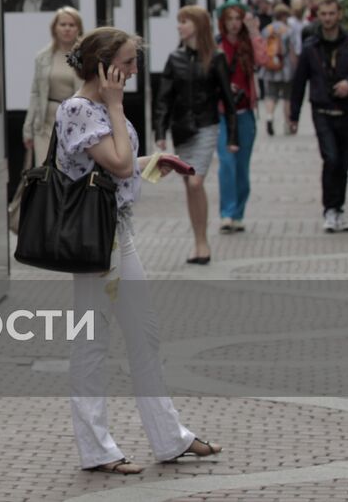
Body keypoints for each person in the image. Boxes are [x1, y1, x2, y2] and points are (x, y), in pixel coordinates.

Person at [58, 27, 222, 474]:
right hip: (96, 240)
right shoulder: (77, 109)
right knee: (92, 341)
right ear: (105, 65)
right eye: (128, 63)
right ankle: (98, 449)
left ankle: (169, 438)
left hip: (116, 233)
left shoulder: (97, 109)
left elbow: (124, 164)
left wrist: (153, 162)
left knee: (142, 334)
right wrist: (115, 107)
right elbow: (118, 163)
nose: (133, 71)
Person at [153, 6, 238, 264]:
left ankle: (203, 242)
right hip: (182, 129)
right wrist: (160, 131)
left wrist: (233, 137)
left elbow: (228, 100)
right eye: (179, 22)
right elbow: (164, 99)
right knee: (189, 186)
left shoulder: (217, 58)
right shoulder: (174, 58)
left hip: (207, 125)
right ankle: (199, 241)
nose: (179, 26)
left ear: (198, 25)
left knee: (195, 182)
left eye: (184, 21)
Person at [289, 0, 348, 233]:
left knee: (344, 163)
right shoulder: (311, 47)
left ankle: (337, 209)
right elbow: (299, 82)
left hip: (347, 111)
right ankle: (329, 209)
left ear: (340, 15)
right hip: (322, 110)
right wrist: (294, 115)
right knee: (331, 158)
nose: (327, 18)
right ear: (318, 17)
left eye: (331, 13)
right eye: (323, 14)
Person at [214, 0, 269, 233]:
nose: (234, 24)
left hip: (245, 113)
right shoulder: (217, 46)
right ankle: (227, 213)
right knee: (227, 163)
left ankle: (238, 214)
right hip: (223, 113)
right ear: (222, 22)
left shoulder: (248, 44)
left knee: (242, 167)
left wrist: (255, 30)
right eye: (230, 20)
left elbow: (263, 60)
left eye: (238, 19)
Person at [22, 7, 84, 168]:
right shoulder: (43, 57)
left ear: (79, 28)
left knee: (68, 169)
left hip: (74, 120)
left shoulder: (85, 57)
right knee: (44, 169)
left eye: (72, 25)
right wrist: (28, 128)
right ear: (54, 28)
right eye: (63, 24)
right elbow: (35, 93)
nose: (67, 29)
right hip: (46, 121)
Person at [260, 3, 300, 135]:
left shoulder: (267, 29)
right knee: (287, 97)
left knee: (270, 95)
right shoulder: (288, 30)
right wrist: (296, 68)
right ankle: (288, 124)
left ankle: (269, 116)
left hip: (270, 68)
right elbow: (293, 51)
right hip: (286, 68)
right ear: (284, 15)